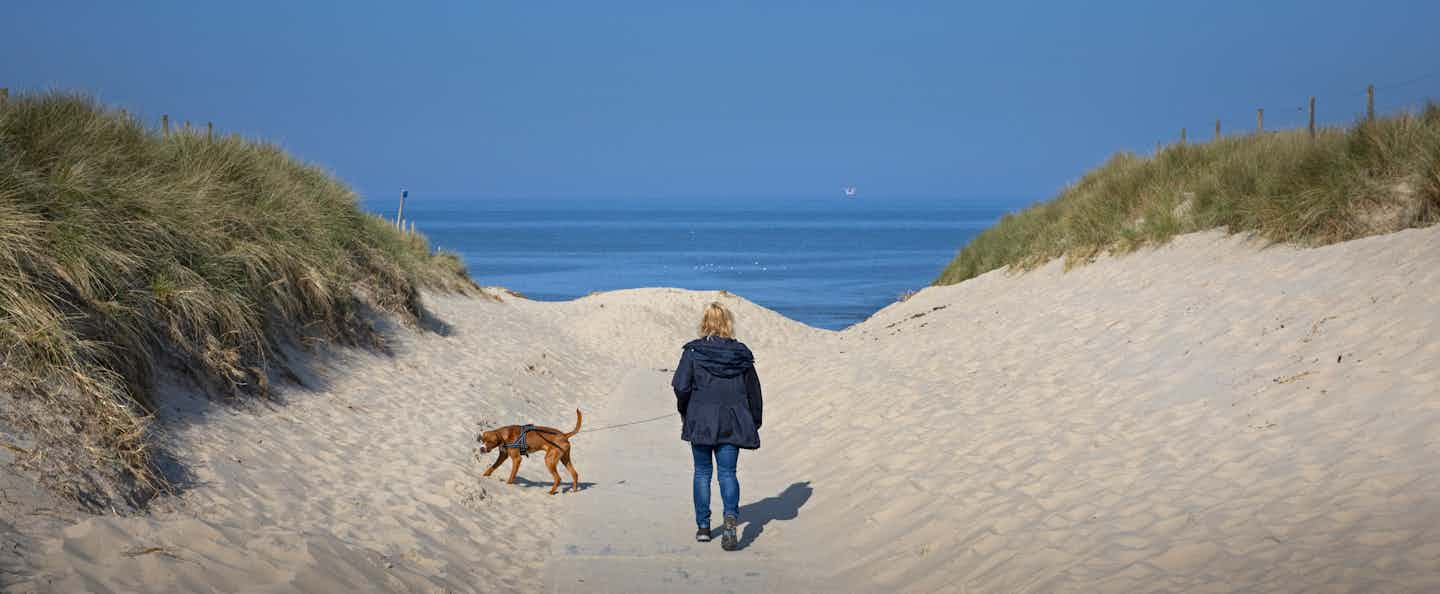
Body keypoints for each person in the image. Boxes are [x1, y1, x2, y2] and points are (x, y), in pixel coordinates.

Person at [671, 301, 762, 551]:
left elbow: (681, 386)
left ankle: (703, 527)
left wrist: (685, 409)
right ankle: (730, 519)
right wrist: (754, 420)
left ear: (705, 323)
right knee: (727, 473)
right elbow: (754, 391)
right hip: (732, 420)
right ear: (728, 324)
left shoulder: (693, 352)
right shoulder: (741, 353)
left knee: (702, 472)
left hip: (701, 419)